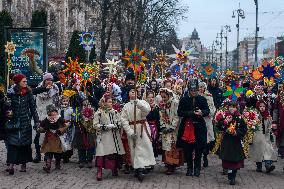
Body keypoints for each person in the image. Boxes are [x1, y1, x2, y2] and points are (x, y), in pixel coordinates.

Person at [5, 74, 39, 175]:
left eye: (26, 81)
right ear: (18, 82)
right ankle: (11, 165)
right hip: (14, 122)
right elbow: (7, 107)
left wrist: (36, 121)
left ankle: (23, 164)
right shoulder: (11, 93)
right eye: (24, 81)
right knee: (12, 144)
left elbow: (33, 108)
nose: (26, 83)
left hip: (25, 122)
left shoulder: (28, 92)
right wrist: (8, 110)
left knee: (25, 144)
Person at [121, 85, 156, 181]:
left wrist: (139, 104)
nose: (133, 92)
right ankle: (137, 168)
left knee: (143, 148)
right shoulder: (126, 106)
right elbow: (124, 120)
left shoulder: (142, 102)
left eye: (135, 91)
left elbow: (147, 110)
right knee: (134, 149)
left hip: (142, 129)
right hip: (132, 129)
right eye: (131, 91)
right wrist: (130, 132)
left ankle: (142, 167)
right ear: (128, 93)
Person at [177, 79, 210, 177]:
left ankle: (197, 168)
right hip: (187, 126)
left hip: (199, 126)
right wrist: (190, 113)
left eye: (195, 90)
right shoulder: (184, 99)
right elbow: (179, 112)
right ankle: (189, 168)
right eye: (192, 90)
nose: (194, 92)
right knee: (188, 149)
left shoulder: (202, 99)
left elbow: (207, 110)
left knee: (199, 149)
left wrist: (202, 112)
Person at [93, 93, 125, 181]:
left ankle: (114, 169)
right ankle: (99, 171)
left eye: (112, 102)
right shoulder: (99, 113)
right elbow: (95, 125)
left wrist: (117, 125)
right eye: (109, 102)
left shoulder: (115, 112)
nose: (111, 104)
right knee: (101, 153)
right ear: (104, 103)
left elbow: (119, 122)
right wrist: (106, 126)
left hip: (114, 136)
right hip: (104, 137)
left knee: (114, 153)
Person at [215, 101, 247, 185]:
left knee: (235, 160)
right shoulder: (225, 116)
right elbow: (218, 126)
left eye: (233, 107)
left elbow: (244, 129)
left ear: (236, 108)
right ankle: (229, 173)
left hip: (236, 142)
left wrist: (236, 132)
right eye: (230, 107)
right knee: (227, 160)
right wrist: (225, 121)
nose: (231, 108)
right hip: (227, 141)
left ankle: (233, 176)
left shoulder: (239, 118)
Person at [34, 72, 59, 163]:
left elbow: (57, 102)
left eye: (51, 80)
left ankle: (47, 156)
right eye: (47, 79)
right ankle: (38, 154)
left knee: (49, 136)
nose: (49, 81)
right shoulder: (38, 89)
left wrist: (55, 115)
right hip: (40, 114)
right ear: (44, 80)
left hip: (51, 115)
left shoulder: (55, 89)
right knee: (38, 135)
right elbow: (35, 102)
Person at [37, 104, 68, 173]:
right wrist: (40, 129)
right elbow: (42, 127)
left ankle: (57, 163)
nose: (53, 116)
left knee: (58, 153)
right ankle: (48, 165)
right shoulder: (46, 120)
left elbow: (65, 126)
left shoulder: (60, 119)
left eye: (54, 114)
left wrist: (60, 130)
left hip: (57, 138)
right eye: (51, 115)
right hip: (49, 138)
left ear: (57, 113)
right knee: (48, 152)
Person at [158, 88, 182, 175]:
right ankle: (168, 164)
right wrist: (163, 126)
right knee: (166, 146)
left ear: (169, 95)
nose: (163, 99)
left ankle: (172, 165)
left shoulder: (175, 102)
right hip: (166, 128)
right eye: (162, 97)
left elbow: (176, 116)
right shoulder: (162, 104)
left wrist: (172, 127)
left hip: (173, 129)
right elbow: (161, 116)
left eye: (165, 97)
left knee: (172, 146)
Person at [249, 100, 277, 173]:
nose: (262, 108)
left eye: (264, 106)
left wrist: (272, 128)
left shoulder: (268, 115)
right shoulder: (254, 115)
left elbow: (270, 124)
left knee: (267, 150)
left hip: (266, 136)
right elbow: (250, 125)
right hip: (257, 137)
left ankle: (268, 166)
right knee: (258, 151)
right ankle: (259, 166)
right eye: (260, 106)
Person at [72, 93, 96, 168]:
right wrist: (80, 119)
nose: (85, 101)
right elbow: (74, 119)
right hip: (80, 130)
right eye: (83, 100)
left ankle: (89, 160)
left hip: (89, 130)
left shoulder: (92, 108)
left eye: (86, 99)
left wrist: (90, 119)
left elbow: (94, 116)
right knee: (80, 145)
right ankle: (82, 160)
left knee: (90, 145)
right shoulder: (77, 109)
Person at [198, 81, 216, 167]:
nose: (201, 89)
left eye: (202, 87)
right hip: (198, 120)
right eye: (199, 87)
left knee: (207, 140)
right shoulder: (195, 96)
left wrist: (207, 112)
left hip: (206, 120)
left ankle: (205, 156)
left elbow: (212, 108)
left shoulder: (209, 97)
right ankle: (198, 156)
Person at [145, 90, 161, 158]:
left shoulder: (156, 108)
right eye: (149, 97)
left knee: (154, 143)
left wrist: (159, 131)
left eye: (152, 97)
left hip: (154, 128)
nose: (151, 99)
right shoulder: (144, 107)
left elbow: (158, 120)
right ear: (146, 98)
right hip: (146, 127)